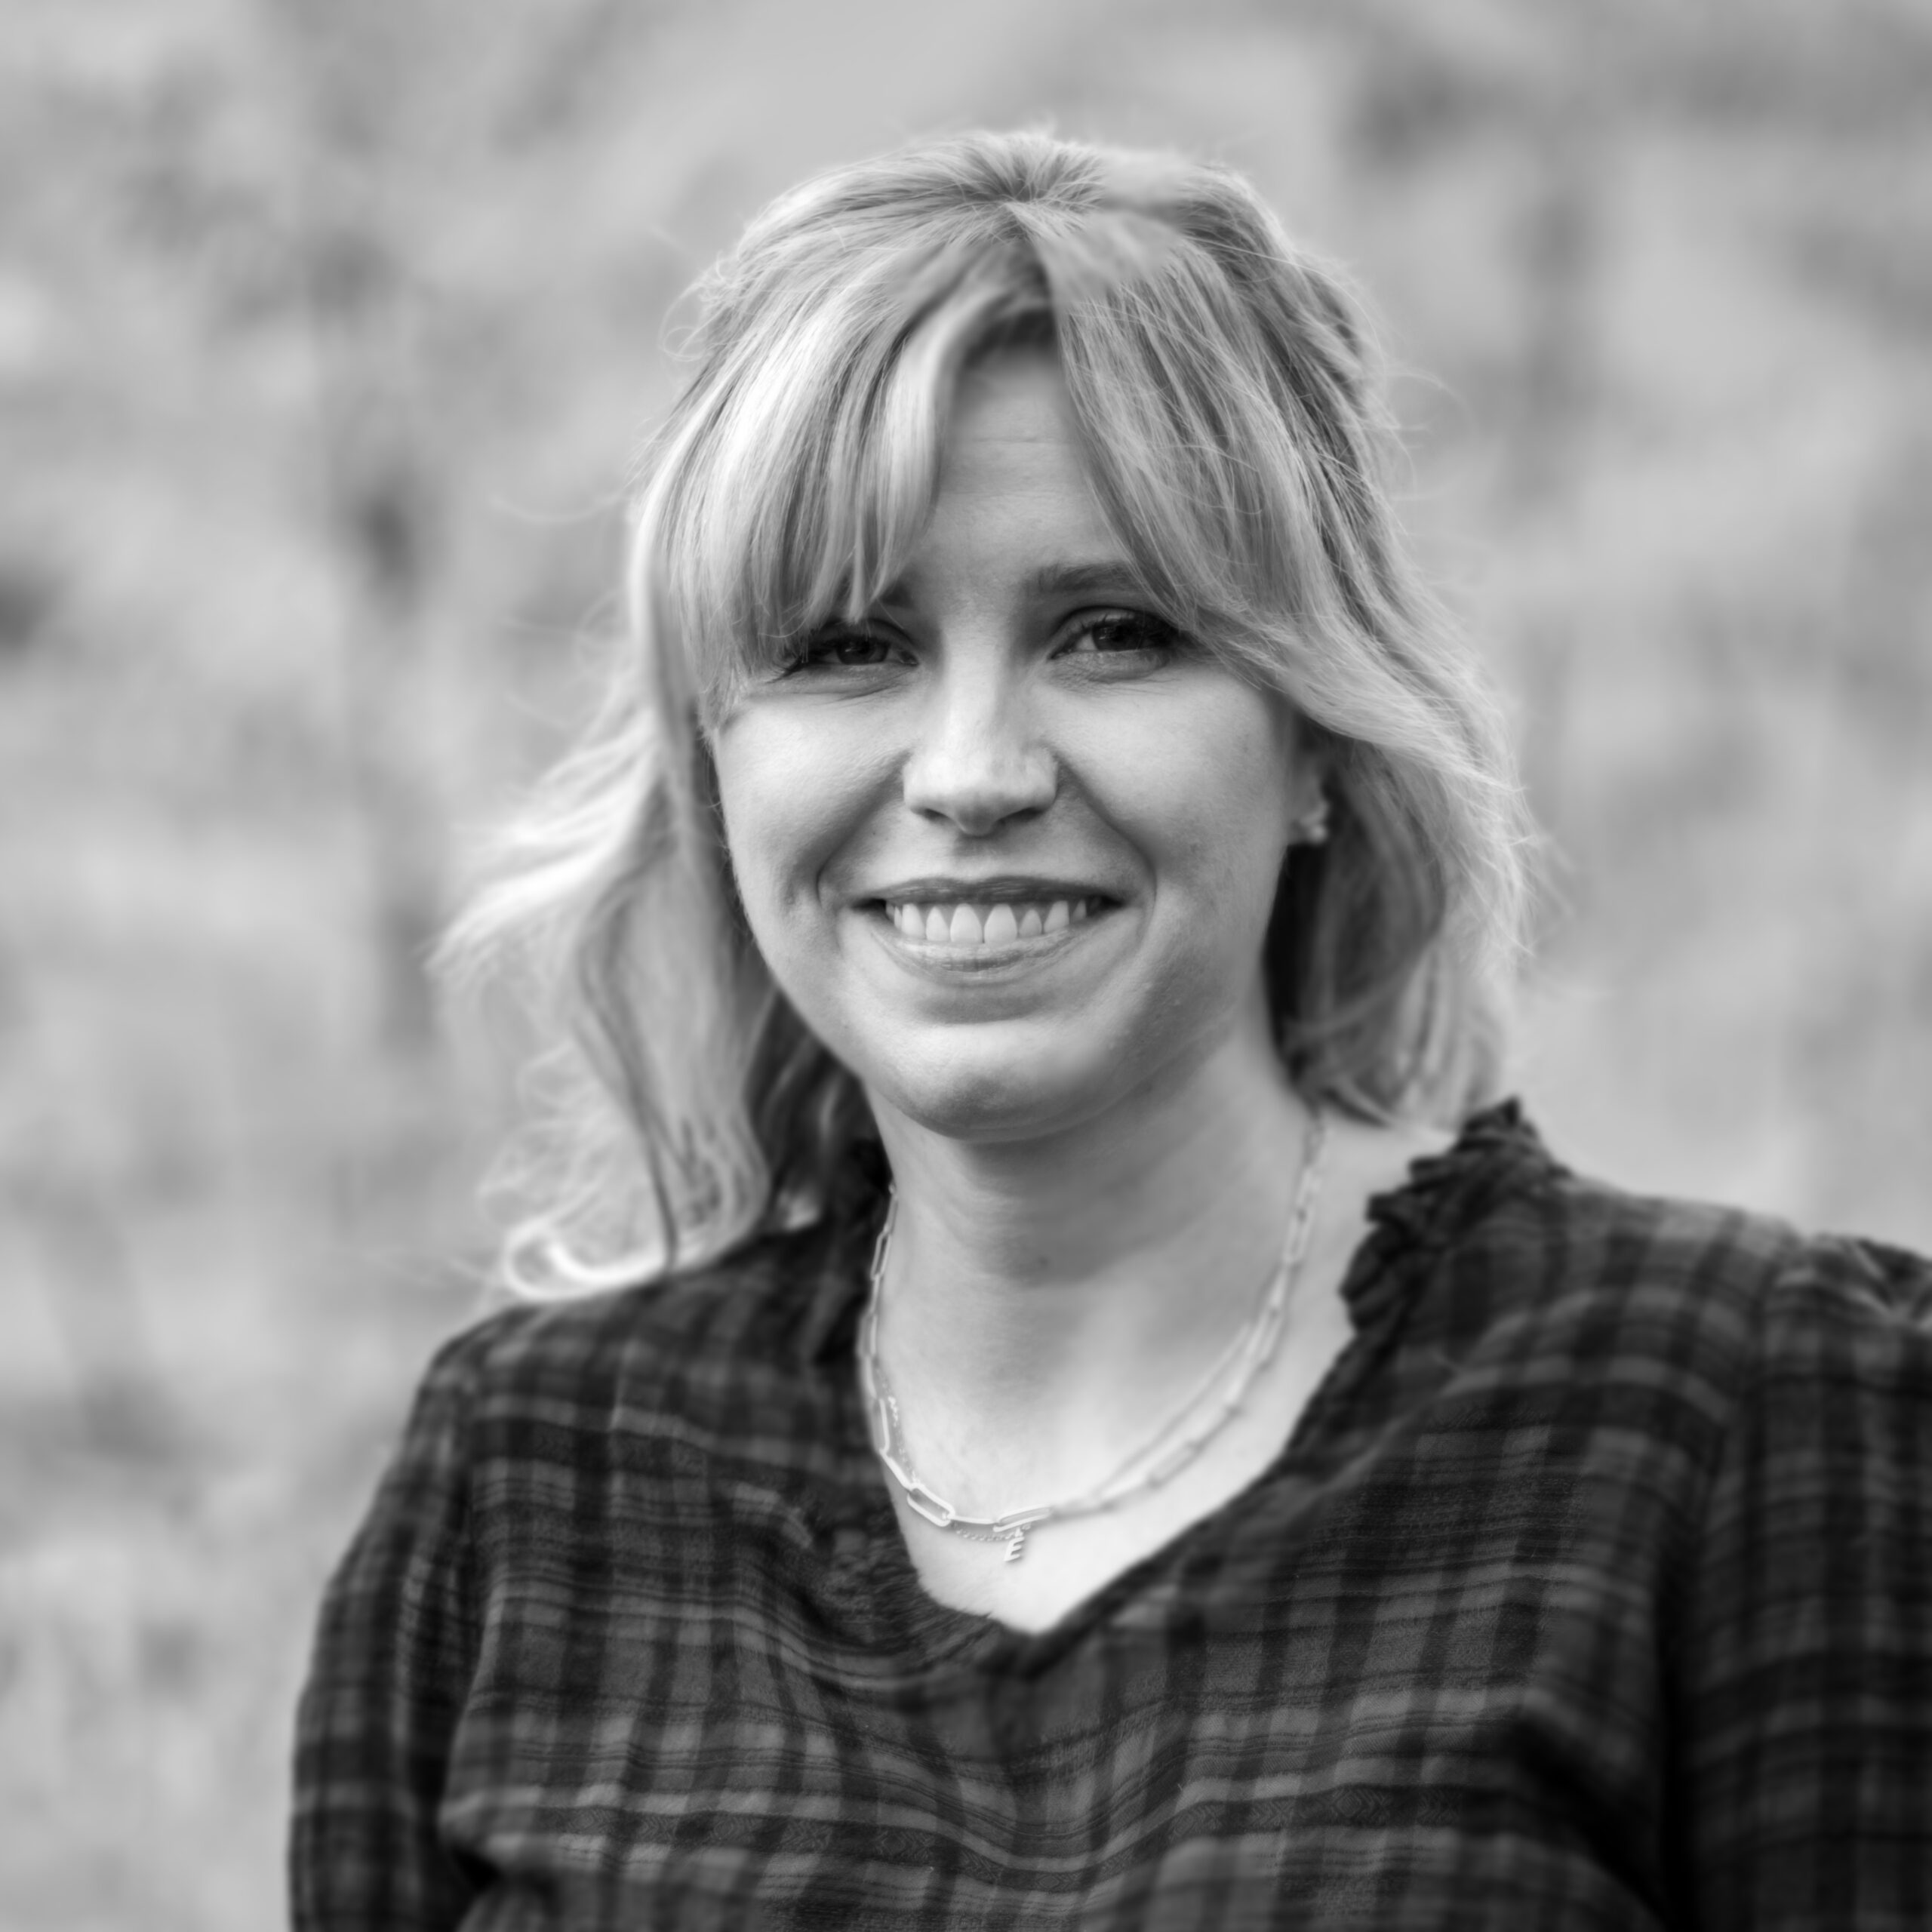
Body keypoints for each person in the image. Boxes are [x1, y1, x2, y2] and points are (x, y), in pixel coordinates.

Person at [290, 132, 1932, 1929]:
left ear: (1314, 738)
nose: (970, 771)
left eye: (1110, 631)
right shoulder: (525, 1476)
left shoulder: (1750, 1409)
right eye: (845, 645)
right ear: (714, 759)